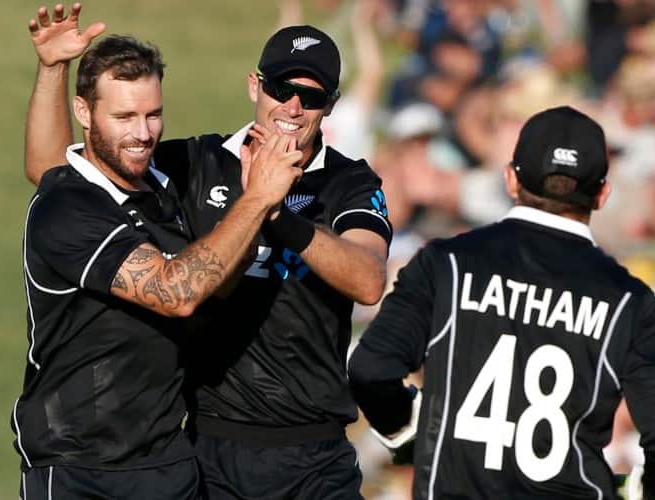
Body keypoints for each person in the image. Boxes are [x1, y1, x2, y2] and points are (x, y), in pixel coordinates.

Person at [24, 4, 391, 499]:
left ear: (332, 103)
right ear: (254, 87)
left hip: (315, 452)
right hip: (209, 447)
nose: (293, 108)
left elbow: (368, 279)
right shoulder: (196, 163)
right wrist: (52, 71)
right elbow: (63, 174)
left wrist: (277, 213)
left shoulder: (349, 182)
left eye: (312, 96)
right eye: (282, 90)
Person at [349, 106, 655, 499]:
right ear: (602, 194)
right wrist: (651, 491)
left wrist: (405, 430)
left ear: (511, 179)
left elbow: (370, 369)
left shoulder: (444, 263)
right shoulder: (632, 303)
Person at [12, 30, 303, 499]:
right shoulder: (65, 208)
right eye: (125, 116)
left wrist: (255, 221)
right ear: (84, 113)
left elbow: (215, 282)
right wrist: (258, 198)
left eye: (154, 114)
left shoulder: (163, 189)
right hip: (78, 469)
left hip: (167, 460)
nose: (143, 133)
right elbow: (176, 293)